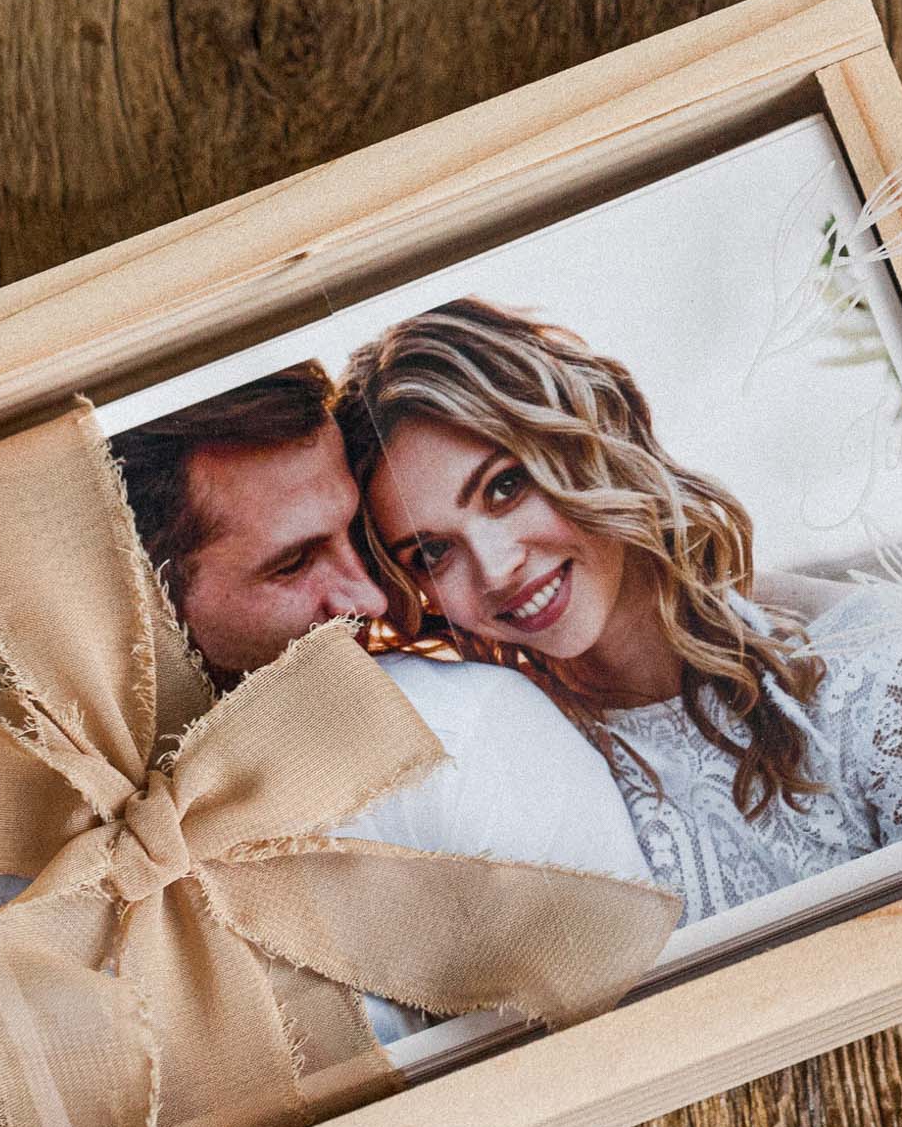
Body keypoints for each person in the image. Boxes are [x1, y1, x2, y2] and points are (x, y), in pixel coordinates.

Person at [336, 299, 902, 927]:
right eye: (431, 553)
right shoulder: (494, 763)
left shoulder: (892, 675)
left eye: (506, 487)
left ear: (589, 441)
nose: (494, 567)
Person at [106, 365, 659, 1038]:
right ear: (151, 606)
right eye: (293, 564)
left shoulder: (460, 734)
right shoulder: (37, 844)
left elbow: (632, 1024)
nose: (368, 598)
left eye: (353, 536)